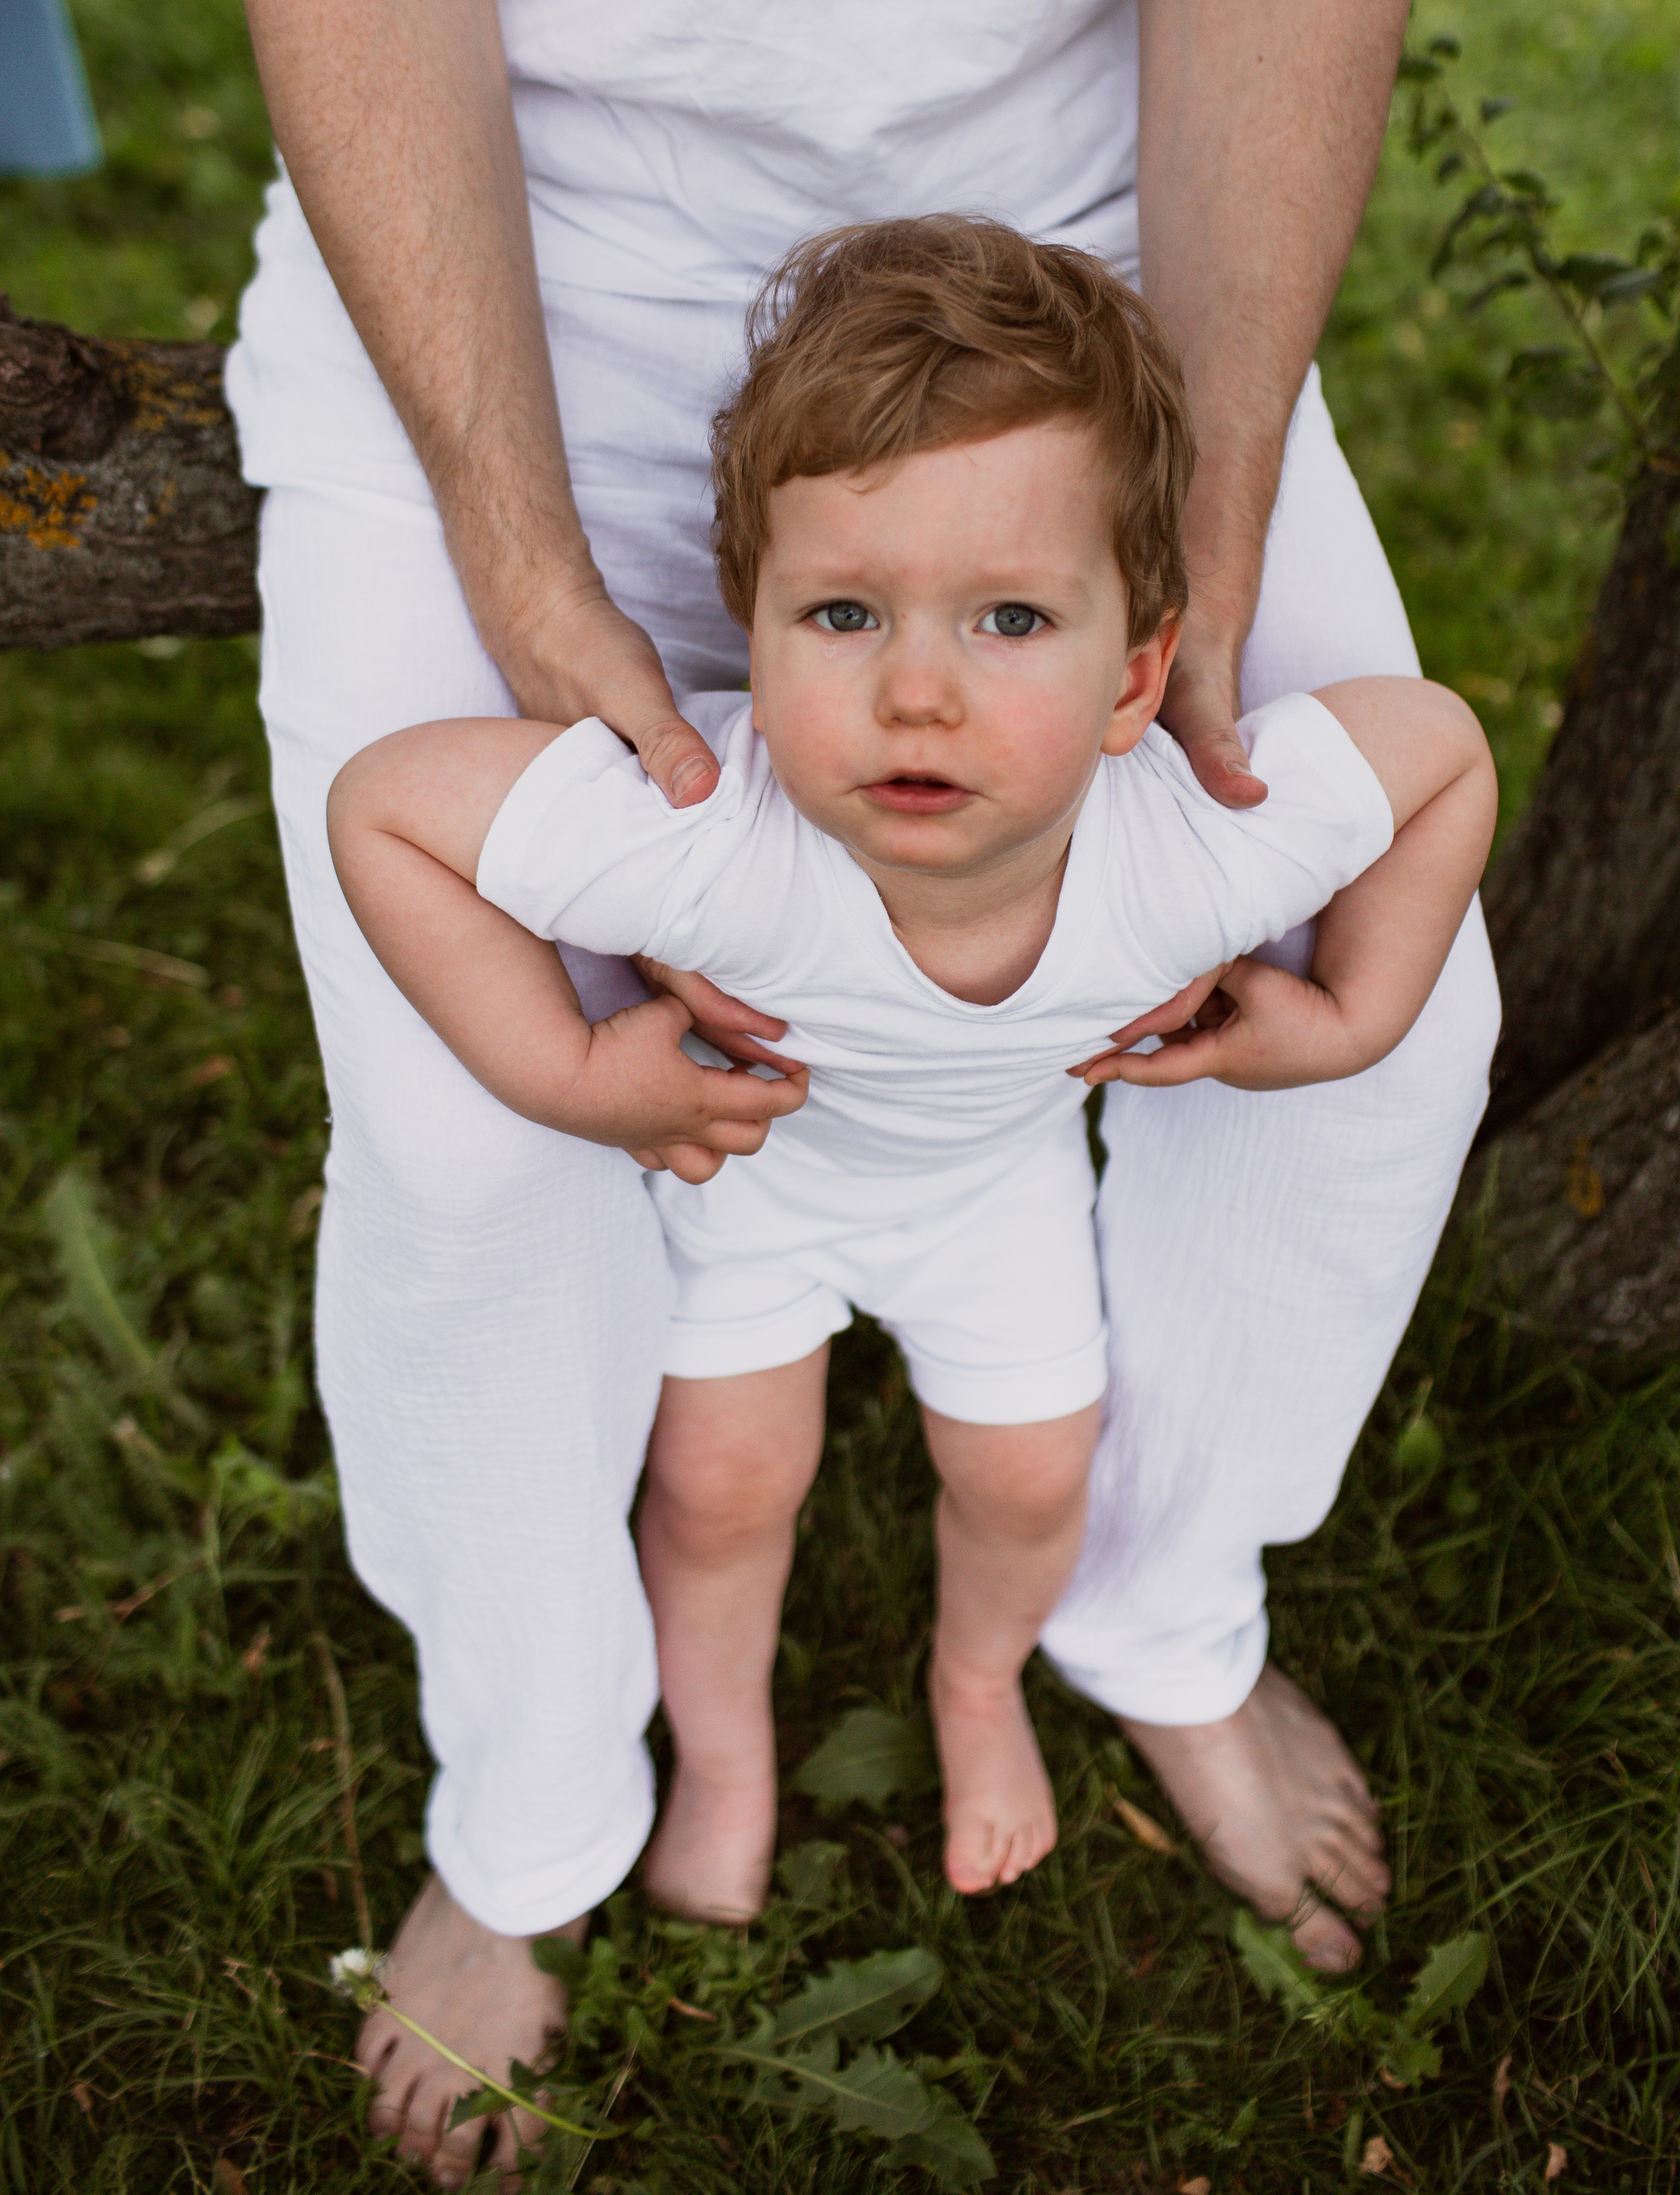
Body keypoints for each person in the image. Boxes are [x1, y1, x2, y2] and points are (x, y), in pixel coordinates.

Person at [62, 0, 1542, 2177]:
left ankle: (1157, 1603)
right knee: (459, 1126)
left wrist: (1187, 524)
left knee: (1397, 1034)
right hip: (529, 243)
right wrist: (516, 541)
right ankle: (529, 1801)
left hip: (1090, 272)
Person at [328, 218, 1498, 1919]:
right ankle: (723, 1755)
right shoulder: (704, 843)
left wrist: (1351, 1020)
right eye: (844, 614)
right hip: (755, 1185)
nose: (917, 692)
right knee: (723, 1488)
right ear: (755, 625)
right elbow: (382, 808)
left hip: (991, 1195)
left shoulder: (1187, 855)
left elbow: (1444, 756)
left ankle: (977, 1686)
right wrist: (569, 1077)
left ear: (1137, 676)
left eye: (1011, 617)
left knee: (1031, 1479)